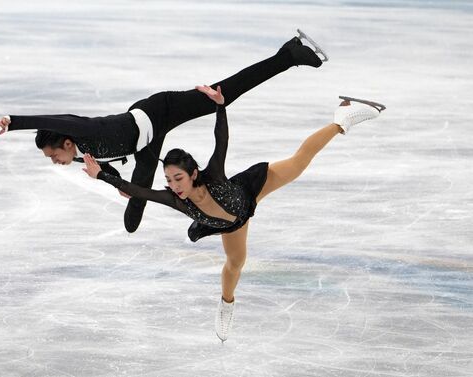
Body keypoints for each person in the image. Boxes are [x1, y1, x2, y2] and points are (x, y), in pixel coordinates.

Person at [81, 85, 385, 342]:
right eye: (169, 181)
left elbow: (221, 140)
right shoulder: (177, 201)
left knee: (300, 161)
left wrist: (220, 106)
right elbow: (138, 191)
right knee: (235, 263)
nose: (174, 186)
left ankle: (343, 118)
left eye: (178, 179)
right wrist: (101, 176)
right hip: (230, 223)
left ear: (193, 173)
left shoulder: (212, 175)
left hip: (251, 189)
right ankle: (227, 304)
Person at [0, 30, 328, 233]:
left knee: (223, 94)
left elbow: (59, 119)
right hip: (143, 147)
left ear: (65, 142)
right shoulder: (80, 152)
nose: (56, 162)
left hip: (157, 113)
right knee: (133, 207)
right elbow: (105, 164)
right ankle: (133, 206)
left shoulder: (85, 130)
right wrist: (108, 176)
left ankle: (289, 54)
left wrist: (14, 119)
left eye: (54, 155)